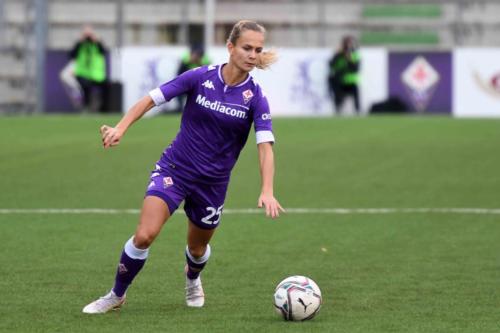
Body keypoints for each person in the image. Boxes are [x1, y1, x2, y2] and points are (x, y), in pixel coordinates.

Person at [82, 20, 284, 314]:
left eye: (258, 49)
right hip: (175, 169)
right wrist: (120, 128)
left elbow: (265, 147)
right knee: (144, 235)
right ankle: (116, 295)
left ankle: (192, 278)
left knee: (198, 249)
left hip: (213, 183)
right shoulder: (200, 77)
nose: (253, 54)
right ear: (230, 47)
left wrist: (267, 189)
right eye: (247, 47)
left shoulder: (256, 98)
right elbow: (150, 99)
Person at [69, 25, 107, 112]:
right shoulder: (80, 45)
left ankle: (102, 109)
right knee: (86, 87)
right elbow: (72, 55)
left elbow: (103, 52)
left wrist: (96, 41)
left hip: (96, 74)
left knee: (105, 89)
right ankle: (86, 107)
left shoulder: (96, 44)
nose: (88, 38)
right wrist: (80, 42)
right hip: (83, 73)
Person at [328, 35, 361, 115]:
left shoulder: (354, 54)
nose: (348, 46)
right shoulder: (338, 54)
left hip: (351, 81)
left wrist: (349, 59)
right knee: (337, 94)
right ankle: (338, 110)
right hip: (340, 80)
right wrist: (338, 54)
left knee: (356, 95)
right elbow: (331, 65)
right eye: (347, 43)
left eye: (350, 43)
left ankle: (357, 111)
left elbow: (356, 68)